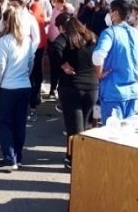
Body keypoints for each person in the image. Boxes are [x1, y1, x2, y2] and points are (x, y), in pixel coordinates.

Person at [92, 0, 138, 122]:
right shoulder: (136, 33)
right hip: (133, 91)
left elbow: (98, 55)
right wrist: (137, 67)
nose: (108, 14)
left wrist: (98, 73)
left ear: (115, 14)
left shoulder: (110, 33)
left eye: (110, 11)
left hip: (113, 92)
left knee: (111, 133)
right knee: (127, 133)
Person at [52, 13, 98, 169]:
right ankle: (73, 156)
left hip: (72, 87)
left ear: (64, 28)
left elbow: (55, 48)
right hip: (92, 87)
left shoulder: (65, 38)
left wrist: (63, 63)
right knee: (84, 124)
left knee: (74, 127)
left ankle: (76, 160)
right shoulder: (91, 37)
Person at [0, 7, 35, 171]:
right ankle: (18, 156)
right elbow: (31, 62)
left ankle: (9, 159)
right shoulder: (27, 40)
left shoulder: (4, 41)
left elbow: (0, 66)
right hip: (24, 85)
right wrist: (26, 75)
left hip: (8, 86)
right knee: (19, 123)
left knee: (5, 123)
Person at [47, 0, 75, 99]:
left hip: (62, 42)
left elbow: (72, 18)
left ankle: (61, 89)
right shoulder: (54, 8)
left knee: (62, 66)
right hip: (52, 40)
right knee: (53, 67)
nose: (51, 0)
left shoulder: (67, 9)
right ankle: (53, 89)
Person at [29, 0, 49, 121]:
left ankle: (34, 97)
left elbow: (45, 20)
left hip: (38, 43)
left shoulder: (41, 5)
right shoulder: (31, 6)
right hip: (33, 43)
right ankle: (33, 98)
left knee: (36, 71)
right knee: (34, 72)